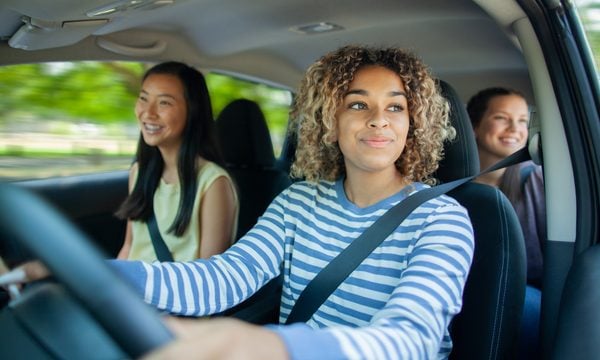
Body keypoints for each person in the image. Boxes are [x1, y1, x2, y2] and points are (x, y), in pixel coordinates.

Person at [8, 46, 475, 359]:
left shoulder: (443, 220)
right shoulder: (299, 202)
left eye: (395, 107)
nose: (378, 120)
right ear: (328, 119)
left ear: (414, 124)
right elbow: (222, 277)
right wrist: (91, 273)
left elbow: (410, 340)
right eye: (357, 104)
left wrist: (267, 346)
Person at [115, 61, 238, 262]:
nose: (148, 112)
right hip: (130, 288)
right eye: (144, 99)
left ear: (193, 111)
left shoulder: (213, 182)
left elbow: (208, 276)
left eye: (164, 102)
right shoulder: (139, 171)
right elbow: (129, 248)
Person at [467, 86, 545, 359]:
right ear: (475, 126)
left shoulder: (536, 179)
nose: (515, 128)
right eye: (502, 117)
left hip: (521, 290)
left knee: (528, 308)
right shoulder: (447, 186)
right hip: (458, 284)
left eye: (523, 120)